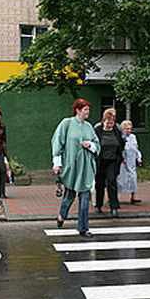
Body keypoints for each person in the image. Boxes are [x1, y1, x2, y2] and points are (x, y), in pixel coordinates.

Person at [52, 98, 100, 237]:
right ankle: (62, 215)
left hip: (86, 168)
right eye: (85, 109)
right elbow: (57, 143)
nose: (88, 112)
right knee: (69, 196)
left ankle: (83, 228)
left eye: (88, 109)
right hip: (71, 167)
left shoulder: (89, 126)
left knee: (85, 198)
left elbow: (97, 144)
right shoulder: (66, 124)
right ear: (78, 110)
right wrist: (57, 163)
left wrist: (90, 145)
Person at [93, 108, 124, 217]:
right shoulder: (98, 130)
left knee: (111, 182)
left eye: (112, 122)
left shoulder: (116, 130)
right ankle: (98, 205)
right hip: (100, 161)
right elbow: (94, 145)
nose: (110, 124)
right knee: (99, 184)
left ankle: (114, 207)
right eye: (108, 122)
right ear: (103, 120)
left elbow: (121, 143)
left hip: (113, 161)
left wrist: (120, 158)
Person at [117, 120, 142, 204]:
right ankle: (116, 197)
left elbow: (136, 148)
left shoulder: (133, 137)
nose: (129, 130)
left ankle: (133, 196)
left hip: (132, 161)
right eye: (126, 129)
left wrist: (139, 157)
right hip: (123, 161)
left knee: (133, 178)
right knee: (120, 179)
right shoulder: (120, 137)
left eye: (130, 129)